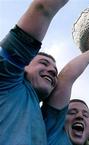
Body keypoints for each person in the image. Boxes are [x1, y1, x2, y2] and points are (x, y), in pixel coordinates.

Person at [0, 0, 69, 144]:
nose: (51, 71)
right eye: (43, 63)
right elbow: (43, 8)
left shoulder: (46, 122)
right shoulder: (6, 78)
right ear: (24, 66)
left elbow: (68, 78)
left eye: (55, 72)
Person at [41, 39, 89, 145]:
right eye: (71, 112)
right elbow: (64, 80)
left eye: (86, 115)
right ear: (60, 122)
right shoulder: (52, 134)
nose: (79, 116)